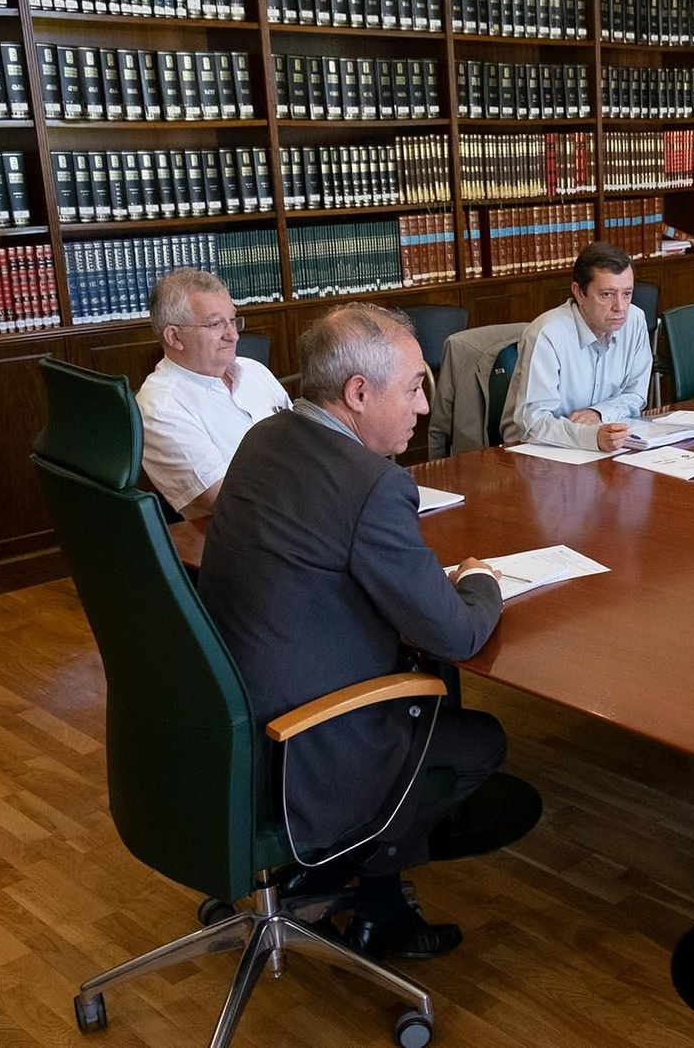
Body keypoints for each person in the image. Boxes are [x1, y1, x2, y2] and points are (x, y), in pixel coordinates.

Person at [199, 304, 512, 961]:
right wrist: (481, 580)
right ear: (359, 393)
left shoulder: (264, 439)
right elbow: (457, 635)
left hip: (228, 724)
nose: (424, 407)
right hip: (303, 745)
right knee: (478, 741)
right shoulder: (372, 485)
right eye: (414, 388)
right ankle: (376, 905)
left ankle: (325, 874)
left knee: (416, 690)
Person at [135, 268, 290, 518]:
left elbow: (306, 443)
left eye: (233, 320)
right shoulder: (160, 407)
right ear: (174, 337)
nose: (233, 335)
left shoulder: (254, 370)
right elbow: (228, 498)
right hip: (248, 529)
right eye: (216, 324)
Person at [501, 241, 652, 452]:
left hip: (604, 445)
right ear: (579, 293)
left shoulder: (635, 320)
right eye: (607, 294)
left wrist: (599, 414)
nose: (620, 307)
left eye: (626, 294)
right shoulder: (547, 334)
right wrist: (590, 437)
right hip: (535, 450)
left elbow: (636, 394)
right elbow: (533, 423)